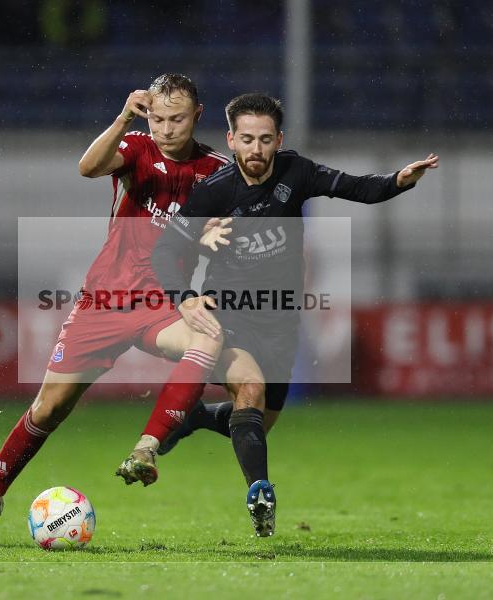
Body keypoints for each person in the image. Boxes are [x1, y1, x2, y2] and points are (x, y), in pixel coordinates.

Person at [0, 74, 229, 544]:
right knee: (48, 408)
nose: (165, 128)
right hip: (103, 303)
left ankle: (147, 447)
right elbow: (88, 167)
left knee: (211, 338)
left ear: (198, 116)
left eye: (176, 119)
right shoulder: (136, 148)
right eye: (157, 118)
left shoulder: (216, 171)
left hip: (163, 304)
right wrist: (122, 118)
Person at [142, 92, 438, 536]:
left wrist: (399, 179)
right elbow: (166, 249)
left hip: (279, 319)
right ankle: (259, 492)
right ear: (231, 139)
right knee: (251, 389)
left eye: (265, 139)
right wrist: (183, 296)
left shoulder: (296, 172)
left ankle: (197, 417)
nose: (256, 149)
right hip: (227, 314)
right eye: (246, 139)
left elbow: (356, 188)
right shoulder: (214, 189)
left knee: (260, 418)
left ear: (279, 139)